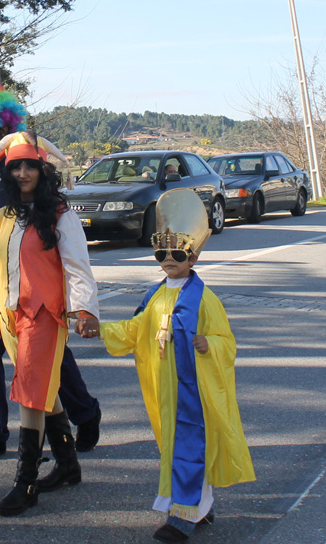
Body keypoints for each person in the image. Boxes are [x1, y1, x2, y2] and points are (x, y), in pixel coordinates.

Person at [0, 86, 102, 465]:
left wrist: (82, 306)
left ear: (1, 126)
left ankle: (81, 415)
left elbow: (68, 253)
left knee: (44, 360)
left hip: (28, 283)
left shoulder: (18, 164)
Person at [93, 188, 255, 543]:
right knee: (176, 448)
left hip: (193, 391)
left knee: (189, 447)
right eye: (161, 253)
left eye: (177, 254)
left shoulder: (205, 300)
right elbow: (136, 329)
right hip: (165, 391)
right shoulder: (155, 295)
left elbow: (228, 343)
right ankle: (203, 506)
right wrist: (100, 329)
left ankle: (183, 516)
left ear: (192, 257)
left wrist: (210, 344)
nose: (168, 260)